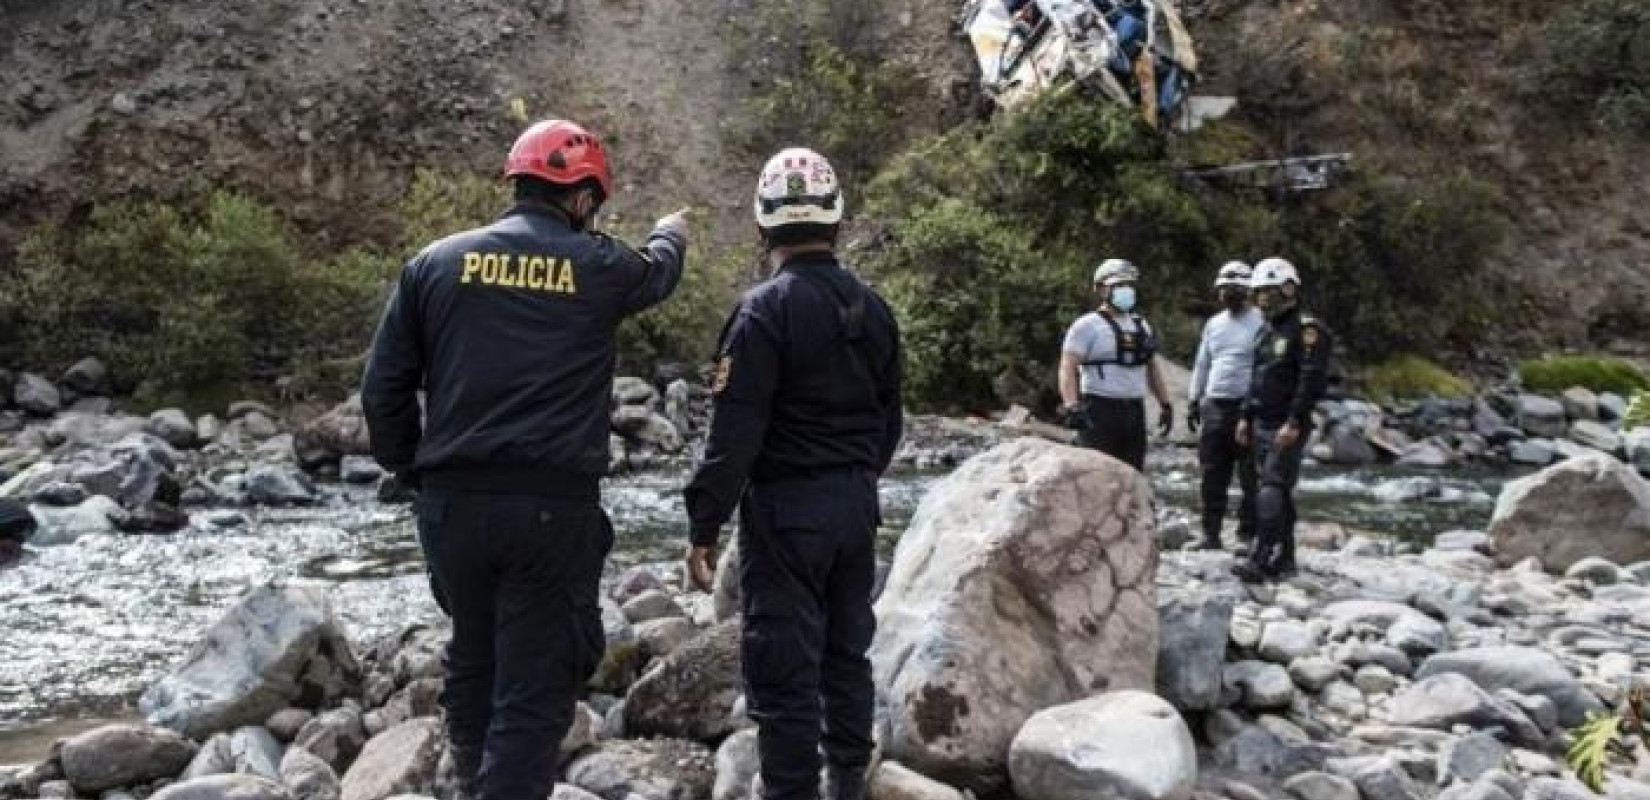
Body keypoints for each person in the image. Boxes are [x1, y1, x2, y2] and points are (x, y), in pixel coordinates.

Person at [361, 118, 689, 800]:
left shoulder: (435, 262)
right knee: (535, 689)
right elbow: (659, 274)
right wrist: (670, 231)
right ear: (581, 197)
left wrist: (409, 468)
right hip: (548, 506)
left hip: (450, 505)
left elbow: (382, 385)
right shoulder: (598, 263)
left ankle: (479, 779)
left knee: (474, 658)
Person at [683, 147, 903, 800]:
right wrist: (855, 482)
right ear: (835, 222)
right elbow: (888, 423)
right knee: (845, 657)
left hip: (786, 512)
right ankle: (848, 786)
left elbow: (733, 437)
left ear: (763, 226)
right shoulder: (876, 310)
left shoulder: (761, 313)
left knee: (783, 668)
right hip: (856, 506)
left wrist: (703, 524)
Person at [1232, 256, 1332, 584]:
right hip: (1260, 419)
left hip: (1285, 423)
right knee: (1276, 489)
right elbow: (1257, 377)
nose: (1262, 299)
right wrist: (1245, 415)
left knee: (1272, 486)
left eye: (1269, 292)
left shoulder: (1307, 330)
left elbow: (1310, 379)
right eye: (1258, 293)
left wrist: (1294, 420)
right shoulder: (1266, 331)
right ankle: (1285, 558)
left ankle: (1260, 557)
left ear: (1288, 290)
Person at [1058, 258, 1173, 471]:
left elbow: (1152, 367)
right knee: (1096, 472)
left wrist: (1165, 404)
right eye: (1119, 286)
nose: (1126, 290)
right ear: (1102, 289)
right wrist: (1072, 406)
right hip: (1099, 408)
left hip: (1134, 410)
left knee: (1132, 473)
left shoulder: (1141, 325)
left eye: (1129, 285)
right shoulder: (1086, 326)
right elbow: (1068, 366)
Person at [1187, 260, 1263, 550]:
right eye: (1222, 289)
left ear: (1246, 291)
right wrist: (1194, 399)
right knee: (1212, 473)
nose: (1226, 294)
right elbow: (1202, 362)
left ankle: (1246, 535)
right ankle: (1210, 534)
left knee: (1249, 475)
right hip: (1215, 404)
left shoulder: (1261, 322)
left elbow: (1264, 367)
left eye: (1232, 289)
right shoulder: (1214, 324)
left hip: (1249, 407)